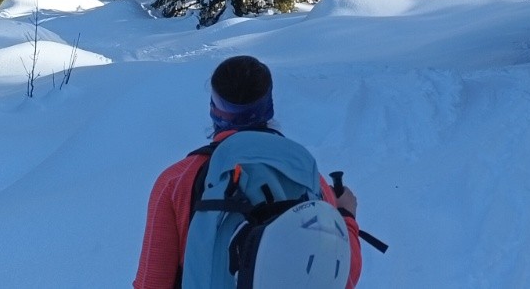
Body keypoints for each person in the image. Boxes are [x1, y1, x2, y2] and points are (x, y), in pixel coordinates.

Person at [132, 55, 363, 289]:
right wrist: (346, 216)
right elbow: (343, 278)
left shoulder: (177, 180)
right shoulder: (309, 179)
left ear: (214, 109)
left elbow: (151, 283)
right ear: (269, 108)